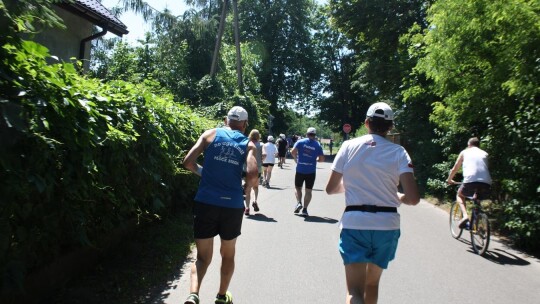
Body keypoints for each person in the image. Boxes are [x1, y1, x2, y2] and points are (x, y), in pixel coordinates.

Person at [325, 102, 419, 304]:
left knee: (354, 291)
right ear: (390, 127)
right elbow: (413, 198)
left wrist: (349, 186)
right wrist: (398, 196)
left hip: (355, 223)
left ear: (366, 123)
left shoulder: (348, 146)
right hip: (387, 225)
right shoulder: (399, 152)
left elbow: (330, 188)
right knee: (371, 285)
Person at [182, 106, 258, 304]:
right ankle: (222, 297)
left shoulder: (210, 134)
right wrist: (245, 187)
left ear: (226, 120)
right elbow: (252, 174)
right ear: (245, 124)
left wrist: (203, 172)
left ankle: (193, 294)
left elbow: (188, 162)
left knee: (202, 257)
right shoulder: (248, 143)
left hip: (206, 202)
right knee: (227, 254)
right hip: (232, 206)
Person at [446, 137, 492, 228]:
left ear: (469, 145)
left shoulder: (464, 152)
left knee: (460, 194)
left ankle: (465, 216)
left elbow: (455, 168)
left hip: (470, 181)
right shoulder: (485, 154)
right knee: (477, 198)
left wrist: (449, 179)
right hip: (486, 182)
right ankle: (476, 222)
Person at [291, 127, 325, 216]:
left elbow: (292, 152)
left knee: (298, 187)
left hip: (300, 169)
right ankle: (305, 210)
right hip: (311, 171)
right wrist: (315, 160)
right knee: (308, 191)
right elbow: (321, 159)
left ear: (307, 134)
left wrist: (296, 159)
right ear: (315, 135)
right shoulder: (317, 145)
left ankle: (299, 202)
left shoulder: (300, 142)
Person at [244, 129, 263, 215]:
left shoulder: (247, 144)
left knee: (247, 188)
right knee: (255, 187)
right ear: (258, 136)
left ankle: (247, 208)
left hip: (246, 168)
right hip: (257, 169)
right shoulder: (261, 145)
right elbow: (265, 154)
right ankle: (255, 201)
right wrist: (260, 161)